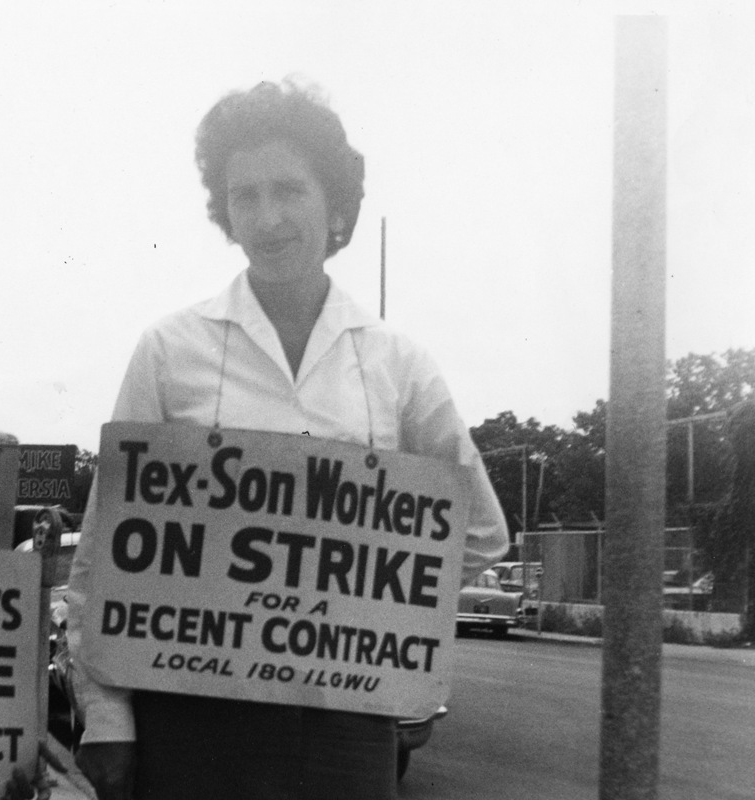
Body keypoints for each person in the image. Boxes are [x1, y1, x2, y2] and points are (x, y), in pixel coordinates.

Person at [66, 80, 509, 800]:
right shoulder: (170, 349)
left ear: (335, 205)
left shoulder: (398, 362)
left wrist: (387, 638)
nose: (268, 218)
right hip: (188, 711)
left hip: (344, 727)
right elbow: (102, 553)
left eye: (289, 190)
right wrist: (107, 716)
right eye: (245, 196)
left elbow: (480, 532)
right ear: (225, 212)